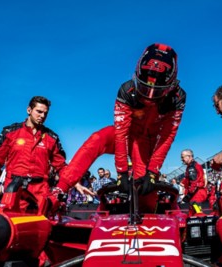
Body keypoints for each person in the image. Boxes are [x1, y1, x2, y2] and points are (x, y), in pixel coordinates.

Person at [56, 43, 186, 213]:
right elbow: (121, 133)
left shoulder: (177, 97)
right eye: (145, 87)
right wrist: (122, 172)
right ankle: (58, 191)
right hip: (127, 136)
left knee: (144, 187)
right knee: (98, 138)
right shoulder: (127, 90)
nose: (150, 95)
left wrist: (153, 172)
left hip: (146, 144)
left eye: (157, 90)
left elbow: (167, 137)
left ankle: (148, 217)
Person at [0, 96, 89, 215]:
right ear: (29, 110)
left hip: (40, 194)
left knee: (39, 230)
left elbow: (61, 166)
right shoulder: (10, 132)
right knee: (13, 229)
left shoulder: (51, 138)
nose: (42, 116)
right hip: (14, 191)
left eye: (45, 113)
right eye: (39, 111)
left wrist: (75, 183)